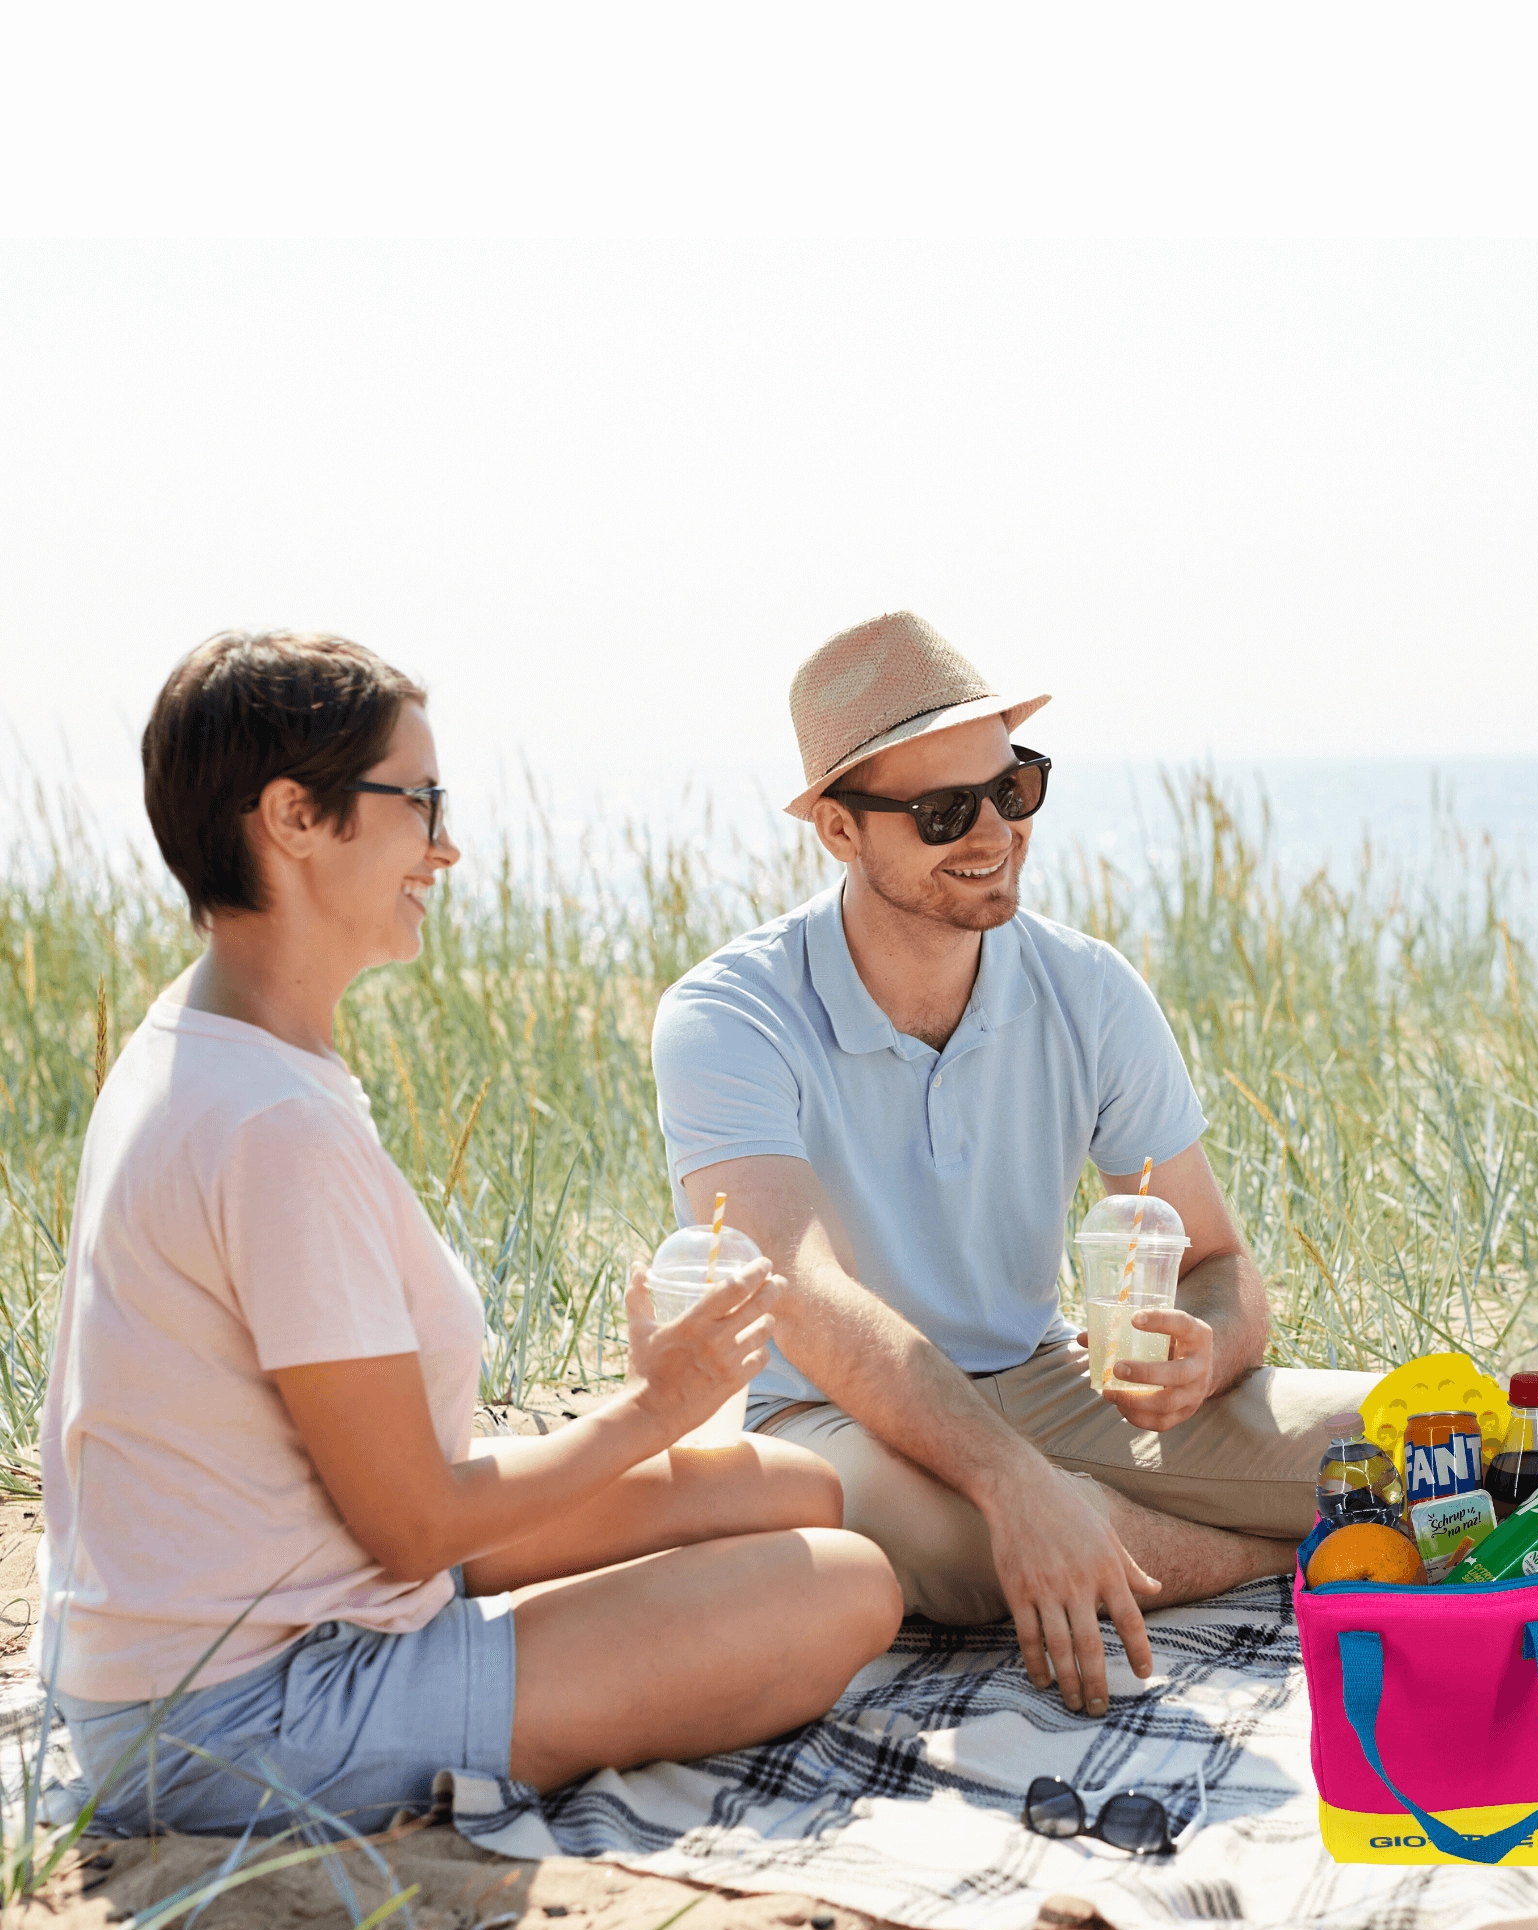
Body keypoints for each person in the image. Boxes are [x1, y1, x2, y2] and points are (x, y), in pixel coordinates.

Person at [35, 629, 902, 1837]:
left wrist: (652, 1424)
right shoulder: (270, 1123)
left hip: (277, 1598)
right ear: (294, 817)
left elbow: (374, 1490)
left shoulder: (221, 1046)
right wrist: (655, 1406)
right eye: (420, 801)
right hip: (240, 1710)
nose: (444, 846)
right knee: (847, 1588)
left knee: (796, 1485)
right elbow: (414, 1528)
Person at [651, 611, 1379, 1722]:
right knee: (958, 1541)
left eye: (1013, 786)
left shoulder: (1089, 989)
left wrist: (1206, 1348)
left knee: (1432, 1442)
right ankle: (1278, 1559)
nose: (994, 831)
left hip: (1045, 1382)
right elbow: (799, 1290)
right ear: (839, 830)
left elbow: (1217, 1260)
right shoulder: (728, 1014)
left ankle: (1113, 1527)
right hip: (825, 1413)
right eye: (943, 811)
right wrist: (1012, 1483)